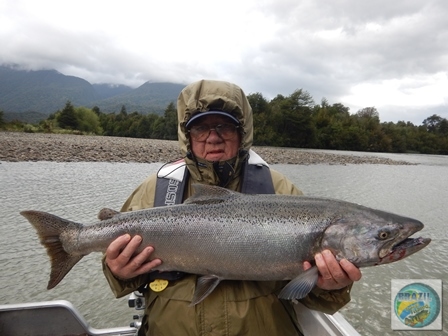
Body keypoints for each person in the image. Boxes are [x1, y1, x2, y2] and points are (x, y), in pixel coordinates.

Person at [102, 79, 362, 335]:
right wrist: (118, 272)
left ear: (242, 133)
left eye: (224, 127)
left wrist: (330, 286)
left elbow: (315, 299)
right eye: (200, 128)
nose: (213, 138)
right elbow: (119, 272)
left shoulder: (279, 189)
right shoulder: (155, 189)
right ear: (186, 135)